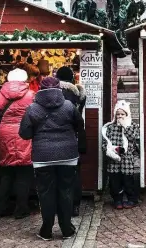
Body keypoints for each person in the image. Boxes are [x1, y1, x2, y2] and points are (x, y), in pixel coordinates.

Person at [19, 77, 86, 241]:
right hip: (67, 155)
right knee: (66, 191)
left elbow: (24, 133)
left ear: (40, 90)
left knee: (45, 193)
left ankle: (46, 230)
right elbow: (80, 124)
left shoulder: (32, 108)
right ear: (59, 89)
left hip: (43, 156)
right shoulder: (69, 106)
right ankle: (66, 229)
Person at [0, 68, 35, 218]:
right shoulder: (31, 95)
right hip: (23, 133)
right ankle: (21, 208)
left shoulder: (0, 95)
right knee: (24, 172)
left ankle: (1, 207)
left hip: (4, 133)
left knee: (6, 173)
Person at [56, 66, 86, 216]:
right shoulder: (79, 96)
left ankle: (60, 205)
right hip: (75, 137)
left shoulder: (56, 94)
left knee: (57, 172)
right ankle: (75, 205)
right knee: (74, 173)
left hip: (57, 137)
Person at [102, 100, 140, 210]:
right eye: (118, 114)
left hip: (127, 159)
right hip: (113, 159)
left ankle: (131, 199)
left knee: (128, 181)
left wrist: (125, 127)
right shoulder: (110, 127)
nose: (120, 116)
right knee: (115, 181)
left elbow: (133, 138)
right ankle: (117, 199)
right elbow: (105, 142)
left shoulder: (132, 125)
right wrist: (110, 150)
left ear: (127, 114)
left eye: (122, 114)